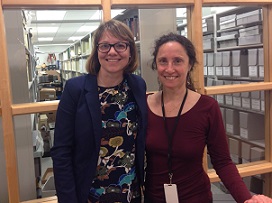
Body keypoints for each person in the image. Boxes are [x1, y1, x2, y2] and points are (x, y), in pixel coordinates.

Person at [144, 32, 272, 203]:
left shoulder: (206, 107)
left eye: (177, 61)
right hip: (154, 198)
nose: (169, 68)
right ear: (156, 65)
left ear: (190, 65)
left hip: (196, 198)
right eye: (162, 61)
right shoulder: (144, 106)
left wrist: (247, 198)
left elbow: (223, 162)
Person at [51, 19, 147, 203]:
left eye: (120, 45)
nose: (112, 51)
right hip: (90, 195)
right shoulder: (75, 89)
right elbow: (61, 151)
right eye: (105, 46)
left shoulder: (137, 85)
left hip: (130, 193)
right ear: (96, 51)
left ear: (130, 52)